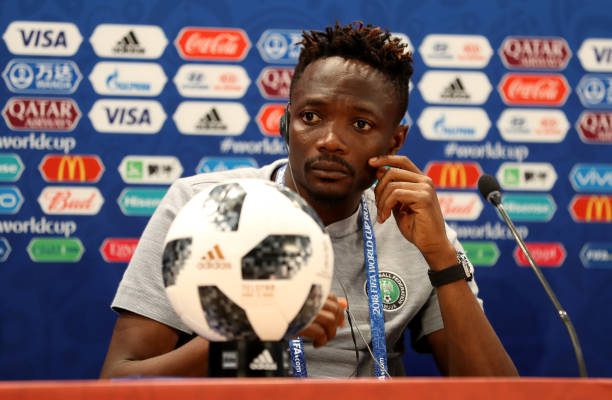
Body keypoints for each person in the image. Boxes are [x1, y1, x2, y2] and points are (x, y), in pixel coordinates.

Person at [100, 21, 518, 378]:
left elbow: (497, 394)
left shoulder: (417, 230)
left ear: (395, 141)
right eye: (311, 117)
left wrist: (441, 258)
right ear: (286, 123)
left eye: (360, 123)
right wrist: (252, 335)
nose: (330, 140)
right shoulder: (203, 207)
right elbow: (118, 381)